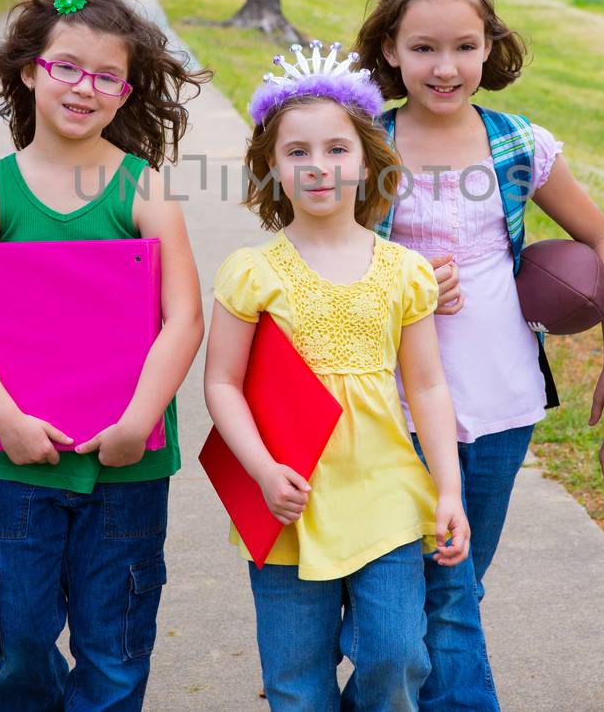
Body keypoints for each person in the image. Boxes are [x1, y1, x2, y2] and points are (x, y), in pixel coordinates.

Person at [352, 0, 604, 709]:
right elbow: (320, 261)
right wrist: (401, 276)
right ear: (390, 48)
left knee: (459, 580)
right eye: (423, 47)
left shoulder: (518, 143)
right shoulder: (365, 143)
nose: (445, 66)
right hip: (392, 403)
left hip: (503, 397)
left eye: (463, 46)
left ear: (490, 46)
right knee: (442, 594)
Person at [0, 0, 207, 712]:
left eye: (106, 76)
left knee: (114, 643)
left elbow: (184, 320)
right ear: (29, 71)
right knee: (18, 634)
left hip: (126, 465)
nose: (85, 87)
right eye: (67, 67)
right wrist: (8, 418)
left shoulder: (145, 192)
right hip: (22, 462)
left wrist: (139, 422)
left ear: (125, 92)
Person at [204, 41, 471, 711]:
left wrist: (448, 488)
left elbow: (429, 386)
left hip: (383, 493)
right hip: (287, 501)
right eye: (297, 152)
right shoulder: (252, 271)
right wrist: (263, 470)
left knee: (395, 653)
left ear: (367, 158)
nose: (318, 166)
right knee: (296, 678)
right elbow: (222, 383)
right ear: (272, 165)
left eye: (336, 149)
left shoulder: (404, 270)